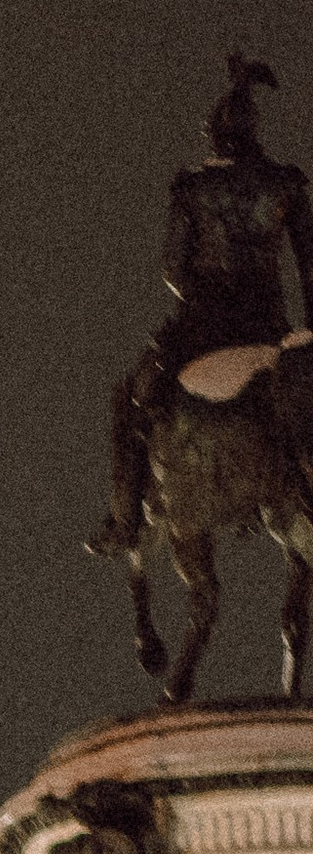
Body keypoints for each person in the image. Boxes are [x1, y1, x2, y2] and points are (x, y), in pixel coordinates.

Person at [94, 53, 313, 553]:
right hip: (269, 326)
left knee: (132, 397)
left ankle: (125, 520)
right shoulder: (286, 183)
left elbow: (172, 267)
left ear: (216, 135)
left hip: (203, 326)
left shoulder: (193, 185)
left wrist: (195, 292)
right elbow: (310, 266)